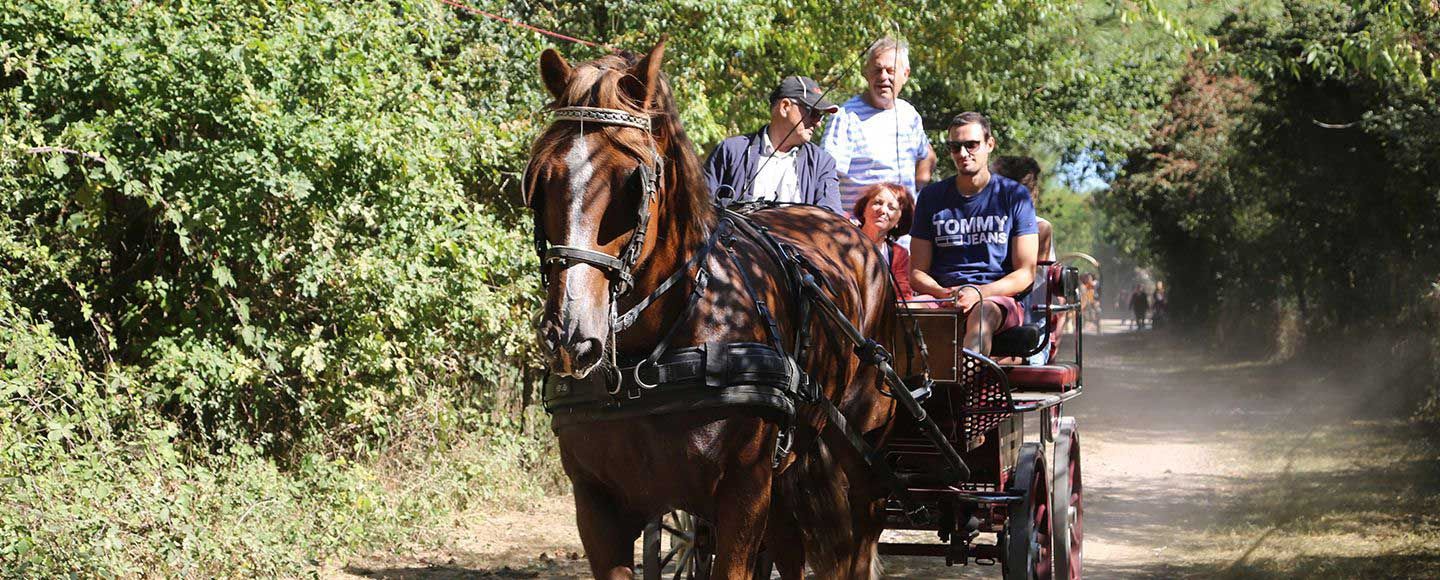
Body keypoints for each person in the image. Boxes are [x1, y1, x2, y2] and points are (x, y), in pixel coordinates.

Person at [909, 112, 1038, 356]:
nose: (963, 153)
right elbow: (917, 272)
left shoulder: (1014, 196)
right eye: (955, 147)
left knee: (982, 314)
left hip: (996, 299)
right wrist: (946, 294)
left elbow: (1025, 274)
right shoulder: (931, 197)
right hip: (944, 295)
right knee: (905, 312)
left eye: (971, 145)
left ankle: (967, 387)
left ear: (990, 144)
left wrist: (978, 293)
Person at [822, 37, 936, 219]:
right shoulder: (846, 116)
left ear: (905, 74)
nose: (883, 76)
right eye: (877, 70)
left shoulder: (909, 115)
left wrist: (917, 192)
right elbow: (826, 176)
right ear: (866, 73)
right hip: (860, 235)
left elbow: (927, 155)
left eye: (890, 70)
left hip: (903, 238)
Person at [704, 76, 842, 212]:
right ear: (785, 106)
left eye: (821, 116)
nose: (818, 123)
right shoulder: (731, 151)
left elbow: (831, 220)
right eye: (814, 113)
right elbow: (701, 208)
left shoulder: (822, 163)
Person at [852, 183, 915, 300]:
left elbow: (902, 296)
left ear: (899, 221)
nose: (882, 210)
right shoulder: (844, 242)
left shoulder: (899, 254)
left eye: (891, 208)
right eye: (877, 203)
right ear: (864, 209)